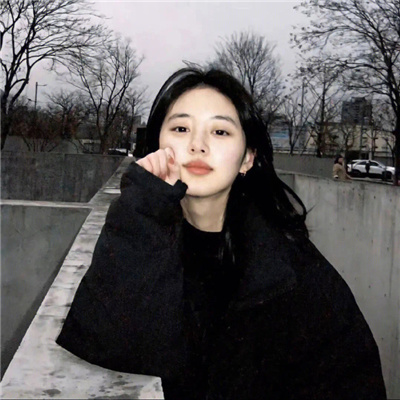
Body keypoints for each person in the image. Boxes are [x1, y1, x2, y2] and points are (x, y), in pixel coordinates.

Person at [56, 68, 386, 399]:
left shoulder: (294, 275)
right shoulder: (144, 232)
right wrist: (143, 210)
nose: (197, 145)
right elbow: (115, 345)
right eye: (181, 128)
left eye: (220, 131)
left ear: (247, 158)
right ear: (157, 145)